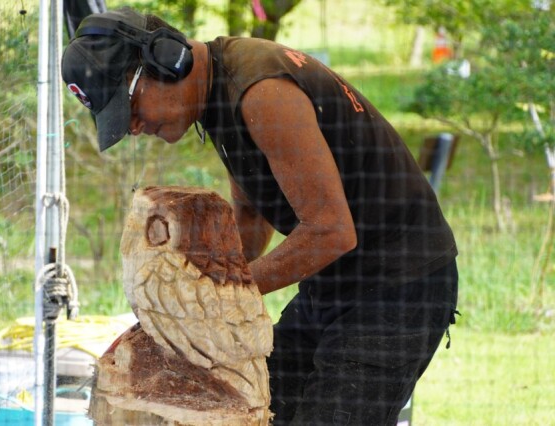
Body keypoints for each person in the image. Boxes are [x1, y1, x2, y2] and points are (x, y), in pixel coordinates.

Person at [62, 7, 459, 425]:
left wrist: (218, 299)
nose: (135, 126)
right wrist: (215, 290)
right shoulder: (217, 96)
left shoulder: (261, 91)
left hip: (399, 284)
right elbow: (252, 213)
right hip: (337, 280)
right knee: (258, 407)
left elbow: (330, 231)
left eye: (132, 109)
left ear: (166, 58)